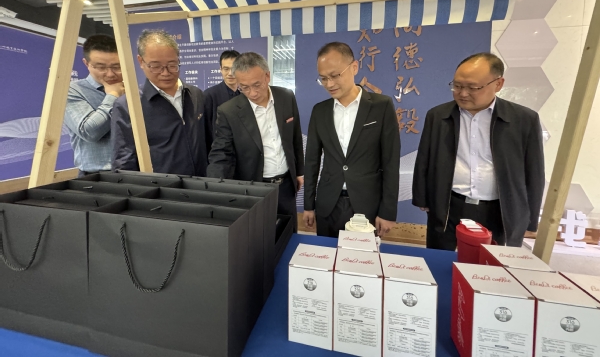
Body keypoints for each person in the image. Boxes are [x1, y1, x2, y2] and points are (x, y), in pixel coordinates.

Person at [412, 52, 545, 249]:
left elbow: (534, 171)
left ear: (498, 84)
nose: (463, 93)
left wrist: (530, 219)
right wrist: (422, 197)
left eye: (472, 87)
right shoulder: (438, 116)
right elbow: (425, 158)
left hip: (499, 209)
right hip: (450, 205)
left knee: (492, 262)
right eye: (457, 86)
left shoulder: (524, 120)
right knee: (442, 257)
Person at [303, 42, 400, 238]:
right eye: (323, 78)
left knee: (362, 256)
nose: (329, 84)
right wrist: (308, 205)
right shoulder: (320, 111)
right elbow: (312, 161)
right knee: (327, 254)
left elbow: (390, 161)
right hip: (328, 204)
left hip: (366, 204)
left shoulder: (381, 106)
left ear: (354, 67)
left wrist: (388, 211)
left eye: (335, 75)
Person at [207, 52, 304, 231]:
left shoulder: (286, 97)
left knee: (288, 233)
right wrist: (215, 188)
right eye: (244, 87)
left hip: (286, 185)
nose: (252, 93)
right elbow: (221, 154)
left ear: (267, 76)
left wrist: (299, 172)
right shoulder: (229, 111)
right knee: (258, 236)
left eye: (257, 85)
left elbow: (295, 136)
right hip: (253, 189)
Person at [111, 29, 208, 176]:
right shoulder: (129, 105)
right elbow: (123, 163)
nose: (165, 73)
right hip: (161, 186)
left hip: (201, 183)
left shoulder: (195, 94)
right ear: (141, 61)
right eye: (156, 66)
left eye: (172, 65)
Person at [64, 35, 125, 177]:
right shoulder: (72, 90)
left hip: (137, 171)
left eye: (117, 67)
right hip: (97, 176)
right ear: (86, 63)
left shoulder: (134, 89)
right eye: (101, 67)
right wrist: (113, 95)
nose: (110, 74)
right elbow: (89, 132)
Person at [203, 49, 240, 148]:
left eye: (234, 68)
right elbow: (205, 130)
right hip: (219, 150)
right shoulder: (209, 95)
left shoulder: (243, 95)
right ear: (220, 69)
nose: (230, 73)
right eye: (226, 69)